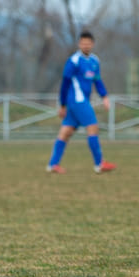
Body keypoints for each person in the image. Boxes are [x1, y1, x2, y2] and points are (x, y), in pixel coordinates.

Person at [46, 30, 117, 175]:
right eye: (83, 43)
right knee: (93, 127)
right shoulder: (73, 61)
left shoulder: (94, 61)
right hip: (76, 101)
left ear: (92, 44)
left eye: (88, 43)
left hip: (81, 101)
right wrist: (62, 104)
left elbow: (97, 81)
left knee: (66, 132)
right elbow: (65, 83)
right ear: (79, 44)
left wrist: (104, 96)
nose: (86, 45)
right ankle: (99, 164)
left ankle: (53, 164)